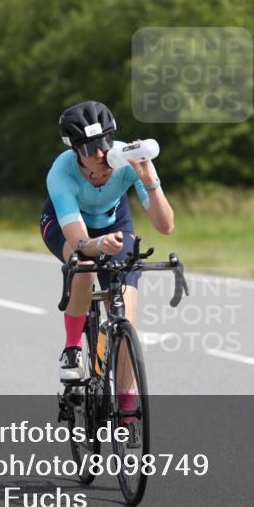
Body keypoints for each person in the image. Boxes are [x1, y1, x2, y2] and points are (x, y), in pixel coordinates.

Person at [40, 101, 174, 391]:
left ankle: (127, 403)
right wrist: (98, 244)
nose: (102, 154)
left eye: (106, 142)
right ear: (76, 152)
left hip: (114, 222)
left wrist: (149, 180)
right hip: (68, 226)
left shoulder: (128, 160)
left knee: (125, 318)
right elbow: (79, 242)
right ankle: (73, 348)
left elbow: (165, 225)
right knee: (84, 266)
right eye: (91, 148)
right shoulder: (61, 173)